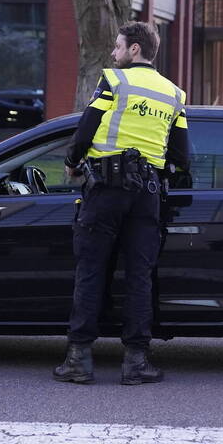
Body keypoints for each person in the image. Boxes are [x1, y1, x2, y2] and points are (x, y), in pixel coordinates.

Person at [53, 21, 191, 385]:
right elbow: (182, 157)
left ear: (134, 49)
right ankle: (136, 362)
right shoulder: (175, 94)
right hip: (147, 194)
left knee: (91, 271)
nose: (113, 53)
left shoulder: (114, 81)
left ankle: (79, 359)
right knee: (139, 276)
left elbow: (86, 128)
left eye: (117, 47)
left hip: (106, 190)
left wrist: (72, 163)